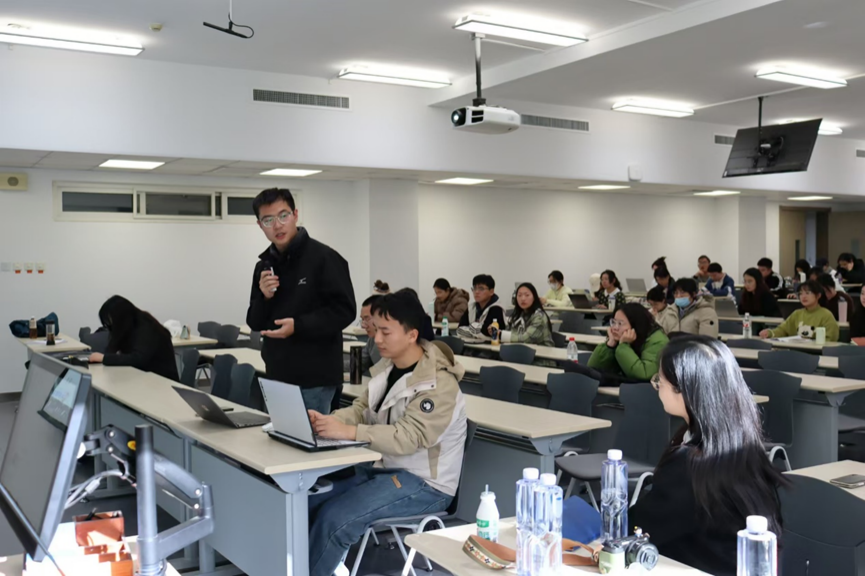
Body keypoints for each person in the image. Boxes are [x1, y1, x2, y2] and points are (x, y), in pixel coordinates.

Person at [307, 292, 467, 576]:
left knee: (335, 519)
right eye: (375, 329)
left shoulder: (439, 384)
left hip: (425, 484)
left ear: (411, 335)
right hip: (382, 469)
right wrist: (328, 422)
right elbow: (361, 409)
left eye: (385, 331)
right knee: (307, 501)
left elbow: (407, 438)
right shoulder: (389, 368)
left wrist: (350, 431)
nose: (376, 338)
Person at [630, 335, 787, 576]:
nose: (657, 386)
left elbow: (639, 527)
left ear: (683, 389)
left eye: (659, 380)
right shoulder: (743, 446)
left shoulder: (690, 464)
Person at [246, 188, 356, 415]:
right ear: (260, 225)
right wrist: (265, 298)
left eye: (283, 216)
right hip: (277, 372)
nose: (277, 225)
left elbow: (345, 310)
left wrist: (298, 326)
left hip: (314, 377)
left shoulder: (324, 258)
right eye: (268, 220)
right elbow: (255, 322)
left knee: (310, 437)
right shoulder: (264, 266)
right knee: (280, 437)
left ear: (295, 215)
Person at [88, 295, 179, 382]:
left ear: (119, 318)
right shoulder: (128, 327)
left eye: (111, 321)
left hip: (162, 382)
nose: (110, 326)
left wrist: (104, 358)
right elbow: (113, 347)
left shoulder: (147, 328)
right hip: (144, 379)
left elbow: (137, 359)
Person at [587, 303, 669, 382]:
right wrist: (610, 344)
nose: (615, 328)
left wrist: (623, 346)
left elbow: (644, 374)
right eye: (613, 322)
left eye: (620, 323)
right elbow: (592, 370)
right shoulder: (619, 340)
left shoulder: (657, 341)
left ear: (635, 326)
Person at [759, 280, 839, 341]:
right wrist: (770, 333)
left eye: (807, 293)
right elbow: (783, 329)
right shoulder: (797, 314)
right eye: (800, 293)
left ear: (818, 295)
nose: (803, 296)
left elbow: (831, 338)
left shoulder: (826, 315)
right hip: (797, 351)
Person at [502, 283, 556, 366]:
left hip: (542, 359)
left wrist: (501, 335)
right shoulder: (519, 315)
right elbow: (510, 331)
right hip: (522, 355)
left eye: (527, 295)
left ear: (534, 297)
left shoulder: (539, 316)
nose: (523, 299)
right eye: (519, 295)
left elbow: (526, 338)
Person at [359, 295, 382, 374]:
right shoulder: (372, 340)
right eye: (362, 319)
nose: (363, 325)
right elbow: (361, 363)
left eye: (367, 318)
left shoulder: (394, 344)